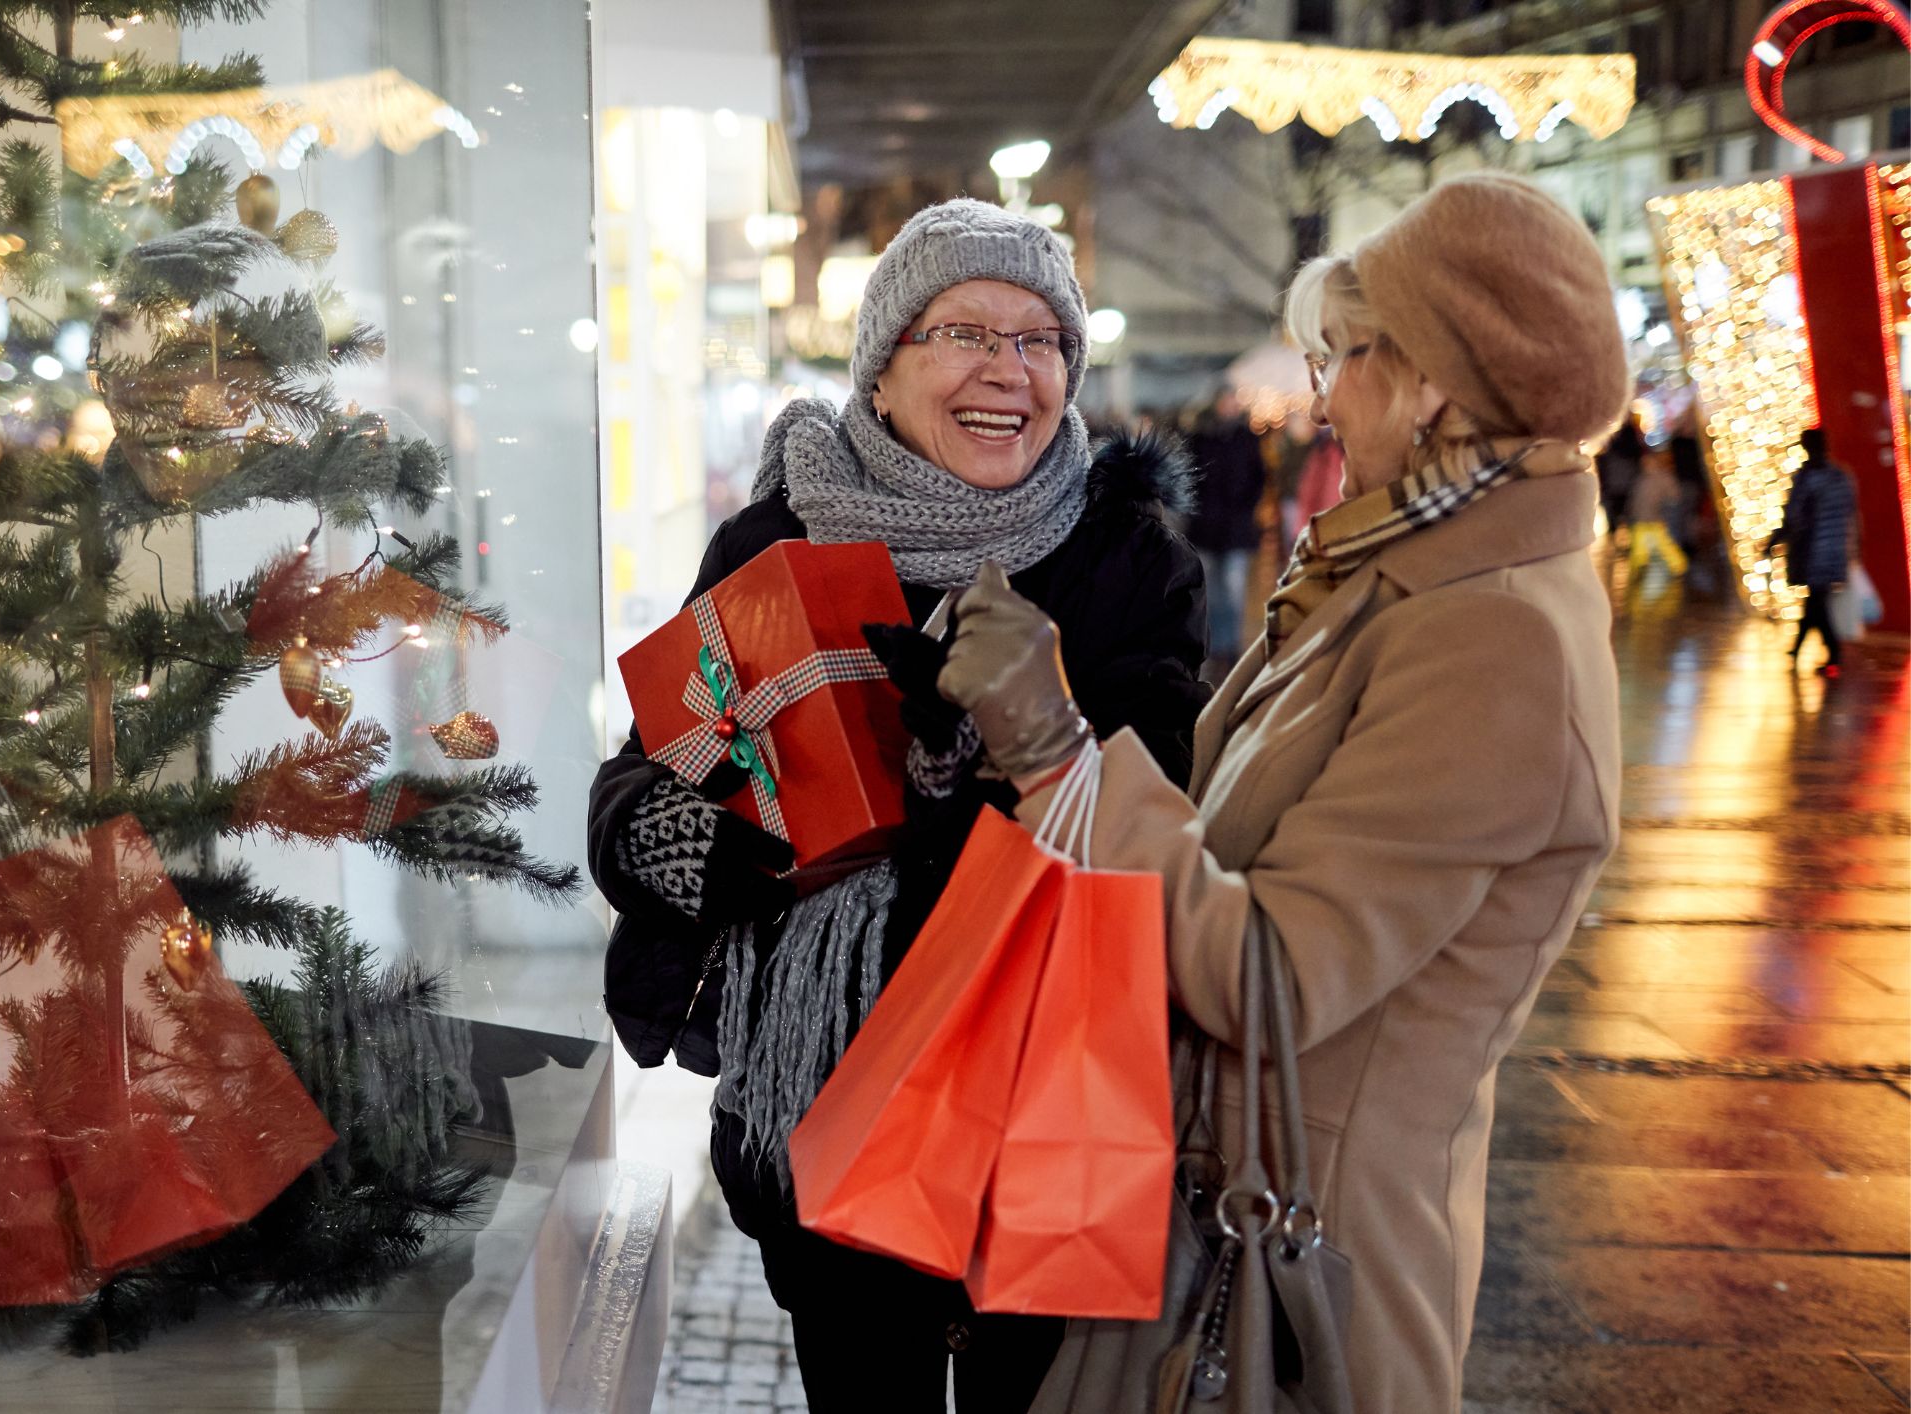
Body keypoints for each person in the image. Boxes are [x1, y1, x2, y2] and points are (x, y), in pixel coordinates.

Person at [936, 172, 1626, 1413]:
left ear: (1430, 384)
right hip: (1195, 1213)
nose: (1315, 396)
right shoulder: (1383, 579)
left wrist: (1053, 751)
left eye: (1342, 356)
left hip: (1291, 1278)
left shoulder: (1490, 639)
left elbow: (1272, 974)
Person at [589, 199, 1210, 1412]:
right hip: (824, 1101)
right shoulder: (770, 540)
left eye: (1040, 342)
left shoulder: (1126, 557)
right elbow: (647, 779)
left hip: (1041, 1101)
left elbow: (1154, 797)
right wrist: (708, 841)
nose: (1006, 370)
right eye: (964, 331)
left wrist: (952, 762)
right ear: (881, 371)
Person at [1767, 426, 1860, 678]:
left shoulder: (1807, 478)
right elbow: (1851, 512)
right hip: (1835, 550)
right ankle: (1800, 650)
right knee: (1815, 601)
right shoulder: (1841, 476)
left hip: (1812, 552)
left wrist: (1772, 542)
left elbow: (1793, 517)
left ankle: (1833, 655)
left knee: (1817, 603)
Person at [1186, 387, 1268, 672]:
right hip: (1206, 526)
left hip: (1235, 528)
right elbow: (1191, 476)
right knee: (1211, 590)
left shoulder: (1247, 439)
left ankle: (1229, 645)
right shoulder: (1201, 437)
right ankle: (1214, 643)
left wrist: (1246, 507)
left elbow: (1259, 477)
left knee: (1233, 590)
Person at [1624, 446, 1687, 583]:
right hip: (1641, 518)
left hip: (1654, 517)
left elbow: (1674, 495)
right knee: (1639, 544)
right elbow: (1635, 498)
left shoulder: (1661, 478)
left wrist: (1667, 507)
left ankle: (1678, 566)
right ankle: (1639, 567)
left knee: (1663, 543)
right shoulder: (1642, 479)